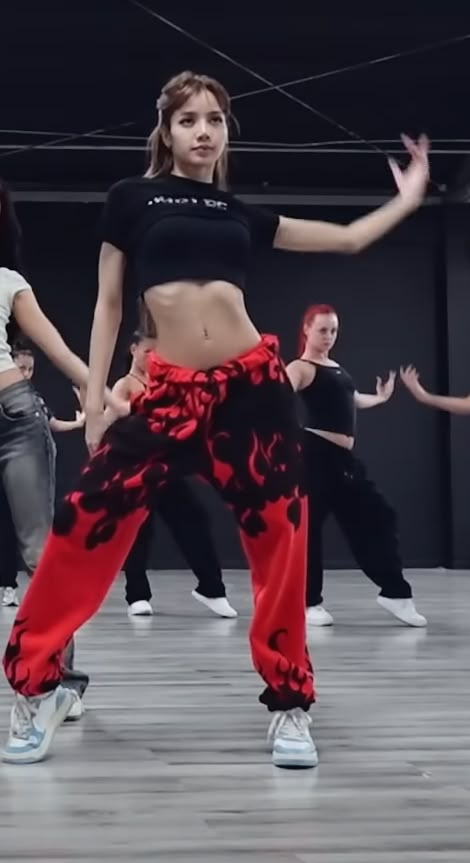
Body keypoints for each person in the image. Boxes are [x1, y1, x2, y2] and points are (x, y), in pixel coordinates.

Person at [1, 71, 429, 768]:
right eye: (190, 119)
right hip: (165, 392)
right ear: (166, 131)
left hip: (251, 392)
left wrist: (408, 197)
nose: (204, 130)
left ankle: (290, 704)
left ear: (226, 132)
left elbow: (348, 239)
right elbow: (110, 303)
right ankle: (40, 683)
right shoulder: (131, 199)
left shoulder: (237, 211)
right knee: (81, 525)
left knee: (280, 545)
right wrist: (104, 395)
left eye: (216, 120)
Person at [0, 178, 125, 718]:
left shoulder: (7, 281)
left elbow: (56, 348)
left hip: (14, 417)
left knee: (37, 552)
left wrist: (100, 396)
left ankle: (58, 677)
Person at [286, 304, 427, 628]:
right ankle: (309, 603)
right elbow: (278, 395)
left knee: (379, 516)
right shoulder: (301, 367)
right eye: (322, 330)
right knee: (309, 531)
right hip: (314, 457)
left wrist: (378, 398)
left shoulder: (334, 367)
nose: (329, 337)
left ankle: (394, 593)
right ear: (306, 329)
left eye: (333, 330)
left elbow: (347, 401)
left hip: (342, 460)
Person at [115, 330, 237, 618]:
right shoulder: (125, 385)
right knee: (139, 531)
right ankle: (137, 595)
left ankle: (211, 588)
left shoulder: (163, 383)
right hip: (137, 468)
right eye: (147, 351)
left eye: (157, 353)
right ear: (133, 349)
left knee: (195, 519)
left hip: (166, 466)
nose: (152, 358)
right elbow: (116, 410)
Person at [0, 342, 85, 608]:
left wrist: (80, 421)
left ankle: (15, 589)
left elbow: (50, 423)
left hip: (22, 450)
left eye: (29, 369)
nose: (26, 373)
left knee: (30, 533)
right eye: (21, 367)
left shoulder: (32, 400)